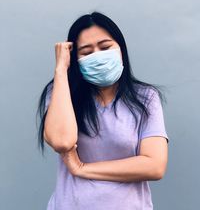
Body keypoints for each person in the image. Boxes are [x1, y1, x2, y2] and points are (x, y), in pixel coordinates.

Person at [36, 11, 169, 210]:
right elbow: (62, 141)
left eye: (105, 47)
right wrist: (61, 70)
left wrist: (82, 169)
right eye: (87, 52)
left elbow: (155, 166)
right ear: (75, 58)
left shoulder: (146, 98)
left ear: (120, 49)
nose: (97, 56)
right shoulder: (60, 94)